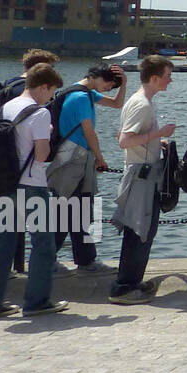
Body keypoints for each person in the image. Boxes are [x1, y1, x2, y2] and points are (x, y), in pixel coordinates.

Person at [0, 64, 68, 317]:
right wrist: (47, 135)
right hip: (32, 187)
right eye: (51, 93)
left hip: (5, 185)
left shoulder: (6, 107)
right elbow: (41, 155)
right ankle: (37, 302)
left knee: (4, 243)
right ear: (43, 86)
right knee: (43, 245)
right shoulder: (40, 113)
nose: (51, 99)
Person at [47, 64, 127, 274]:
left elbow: (118, 104)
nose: (110, 87)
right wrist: (100, 158)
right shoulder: (82, 98)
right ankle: (53, 260)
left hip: (71, 157)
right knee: (67, 212)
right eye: (109, 83)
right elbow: (89, 132)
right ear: (95, 77)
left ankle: (84, 260)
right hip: (75, 159)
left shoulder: (83, 92)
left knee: (76, 211)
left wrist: (124, 83)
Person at [110, 56, 176, 305]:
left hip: (139, 172)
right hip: (142, 176)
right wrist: (159, 133)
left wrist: (152, 141)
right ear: (155, 78)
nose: (170, 80)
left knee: (139, 230)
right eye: (168, 75)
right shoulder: (143, 105)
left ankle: (129, 283)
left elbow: (125, 135)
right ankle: (125, 287)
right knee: (140, 230)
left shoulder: (137, 101)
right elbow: (124, 140)